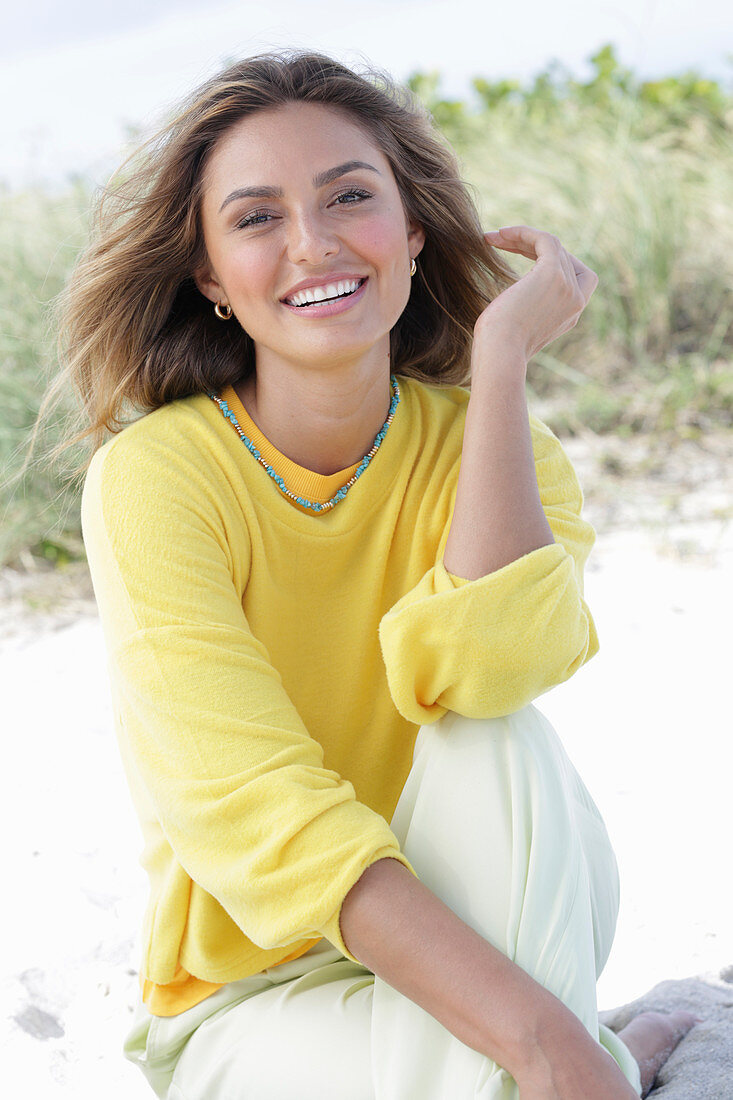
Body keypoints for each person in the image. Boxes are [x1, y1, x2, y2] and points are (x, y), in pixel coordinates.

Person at [61, 50, 697, 1099]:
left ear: (411, 230)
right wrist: (548, 1045)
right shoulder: (154, 479)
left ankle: (566, 1047)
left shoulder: (493, 439)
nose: (313, 242)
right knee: (508, 1065)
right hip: (260, 991)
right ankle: (590, 1052)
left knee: (485, 724)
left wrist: (499, 362)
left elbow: (497, 668)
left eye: (350, 196)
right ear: (211, 279)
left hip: (493, 900)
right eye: (257, 217)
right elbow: (257, 806)